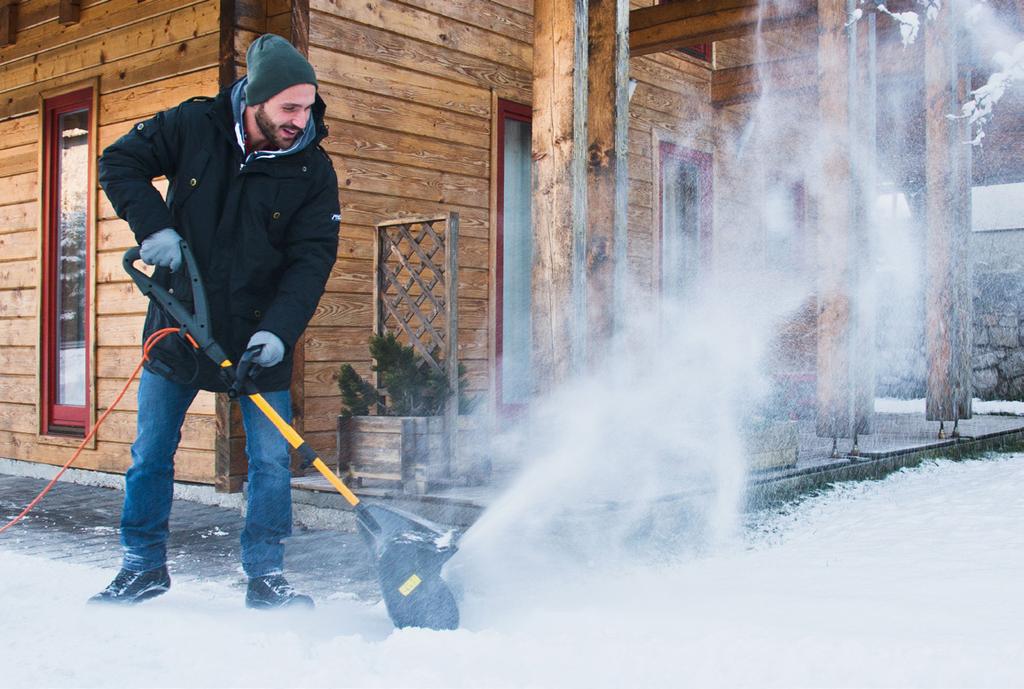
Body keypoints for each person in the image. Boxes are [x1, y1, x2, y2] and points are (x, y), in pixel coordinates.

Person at [90, 35, 340, 609]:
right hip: (180, 322)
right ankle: (142, 564)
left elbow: (311, 260)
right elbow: (119, 161)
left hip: (260, 336)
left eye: (308, 107)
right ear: (256, 98)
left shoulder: (312, 169)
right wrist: (153, 227)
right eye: (289, 108)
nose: (301, 121)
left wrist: (279, 332)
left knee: (273, 460)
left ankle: (265, 572)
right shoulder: (193, 125)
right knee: (152, 448)